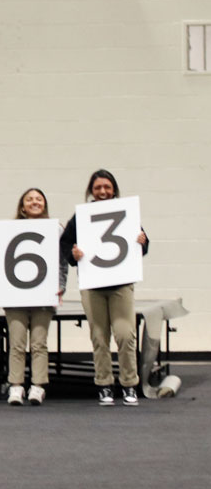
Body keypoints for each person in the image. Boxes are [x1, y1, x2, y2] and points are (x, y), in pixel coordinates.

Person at [59, 169, 148, 406]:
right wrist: (73, 254)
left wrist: (143, 241)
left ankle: (130, 385)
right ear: (91, 191)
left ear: (114, 190)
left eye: (107, 187)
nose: (102, 192)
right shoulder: (81, 217)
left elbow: (143, 243)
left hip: (121, 285)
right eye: (98, 188)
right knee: (99, 337)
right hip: (92, 286)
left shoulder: (125, 213)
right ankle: (104, 385)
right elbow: (65, 243)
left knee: (125, 335)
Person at [3, 188, 67, 406]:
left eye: (38, 199)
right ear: (22, 206)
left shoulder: (56, 229)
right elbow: (3, 261)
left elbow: (62, 261)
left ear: (44, 204)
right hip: (16, 296)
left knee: (39, 343)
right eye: (29, 199)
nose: (34, 202)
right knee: (17, 343)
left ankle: (38, 387)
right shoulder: (9, 230)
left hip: (43, 295)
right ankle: (16, 386)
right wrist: (1, 287)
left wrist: (61, 286)